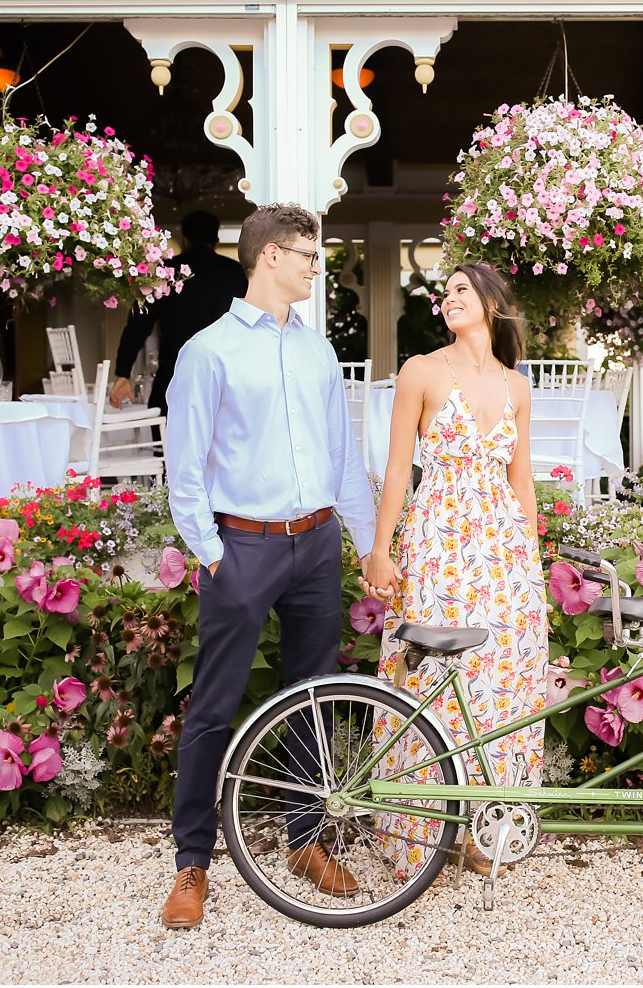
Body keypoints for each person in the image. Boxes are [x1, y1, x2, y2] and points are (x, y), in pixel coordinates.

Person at [160, 201, 398, 930]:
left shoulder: (318, 351)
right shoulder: (209, 351)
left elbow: (342, 459)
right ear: (268, 256)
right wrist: (211, 553)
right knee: (213, 704)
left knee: (314, 700)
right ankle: (192, 862)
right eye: (304, 252)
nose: (313, 263)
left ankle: (304, 840)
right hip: (243, 546)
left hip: (316, 543)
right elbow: (186, 466)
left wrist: (366, 543)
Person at [365, 263, 548, 878]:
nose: (448, 301)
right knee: (435, 681)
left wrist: (534, 564)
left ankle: (483, 831)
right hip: (439, 540)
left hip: (504, 553)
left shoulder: (517, 387)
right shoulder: (421, 371)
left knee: (499, 685)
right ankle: (421, 838)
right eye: (444, 294)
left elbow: (521, 481)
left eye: (462, 291)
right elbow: (397, 470)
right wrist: (381, 548)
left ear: (493, 303)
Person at [109, 210, 248, 414]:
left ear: (184, 239)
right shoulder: (236, 273)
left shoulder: (164, 271)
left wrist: (123, 373)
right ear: (216, 239)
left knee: (165, 439)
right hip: (225, 377)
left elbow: (138, 325)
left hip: (174, 374)